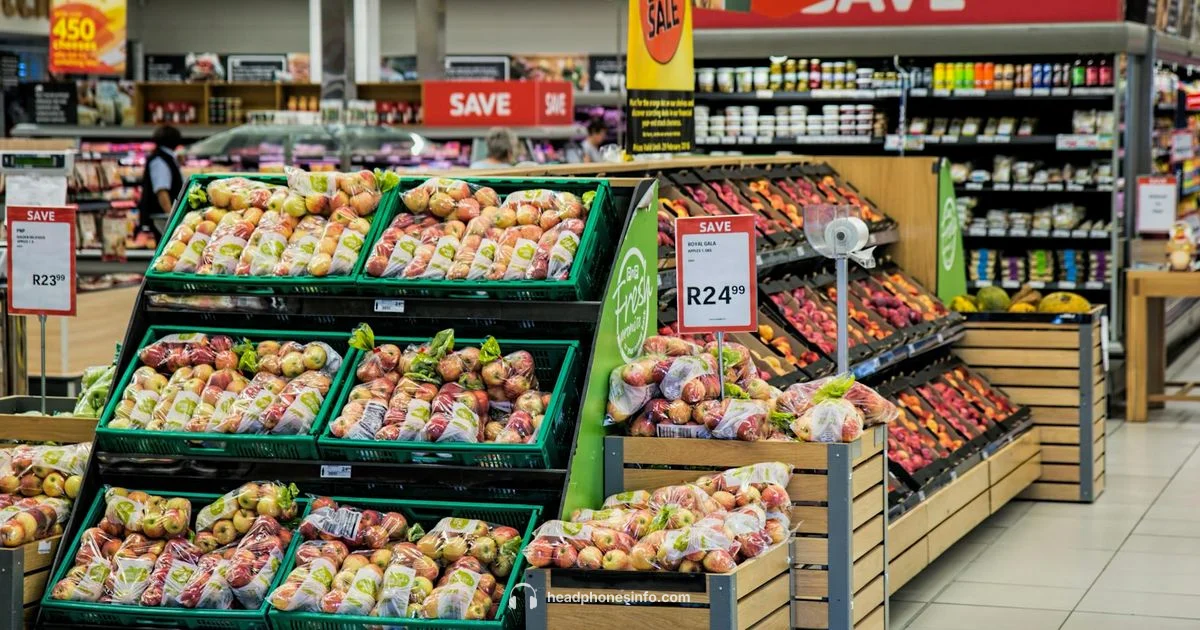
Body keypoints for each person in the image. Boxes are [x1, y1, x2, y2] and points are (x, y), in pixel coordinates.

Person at [136, 124, 183, 243]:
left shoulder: (165, 158)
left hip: (160, 218)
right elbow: (161, 191)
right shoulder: (160, 160)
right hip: (160, 219)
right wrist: (171, 217)